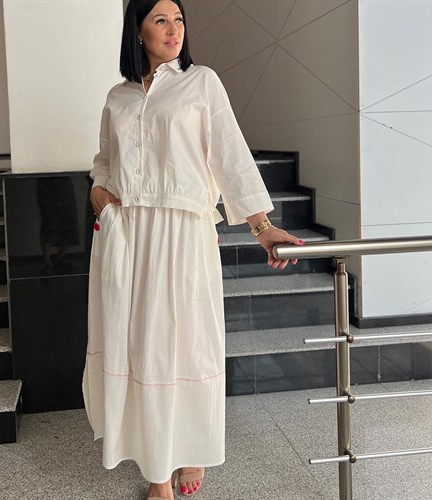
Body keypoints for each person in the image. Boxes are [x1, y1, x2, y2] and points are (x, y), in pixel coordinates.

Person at [82, 1, 304, 499]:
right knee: (139, 346)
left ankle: (190, 447)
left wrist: (262, 226)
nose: (174, 29)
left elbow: (230, 154)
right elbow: (104, 160)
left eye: (179, 19)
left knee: (184, 343)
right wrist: (98, 193)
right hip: (128, 237)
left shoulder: (201, 82)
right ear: (138, 31)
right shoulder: (118, 97)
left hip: (183, 235)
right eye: (160, 20)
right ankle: (158, 473)